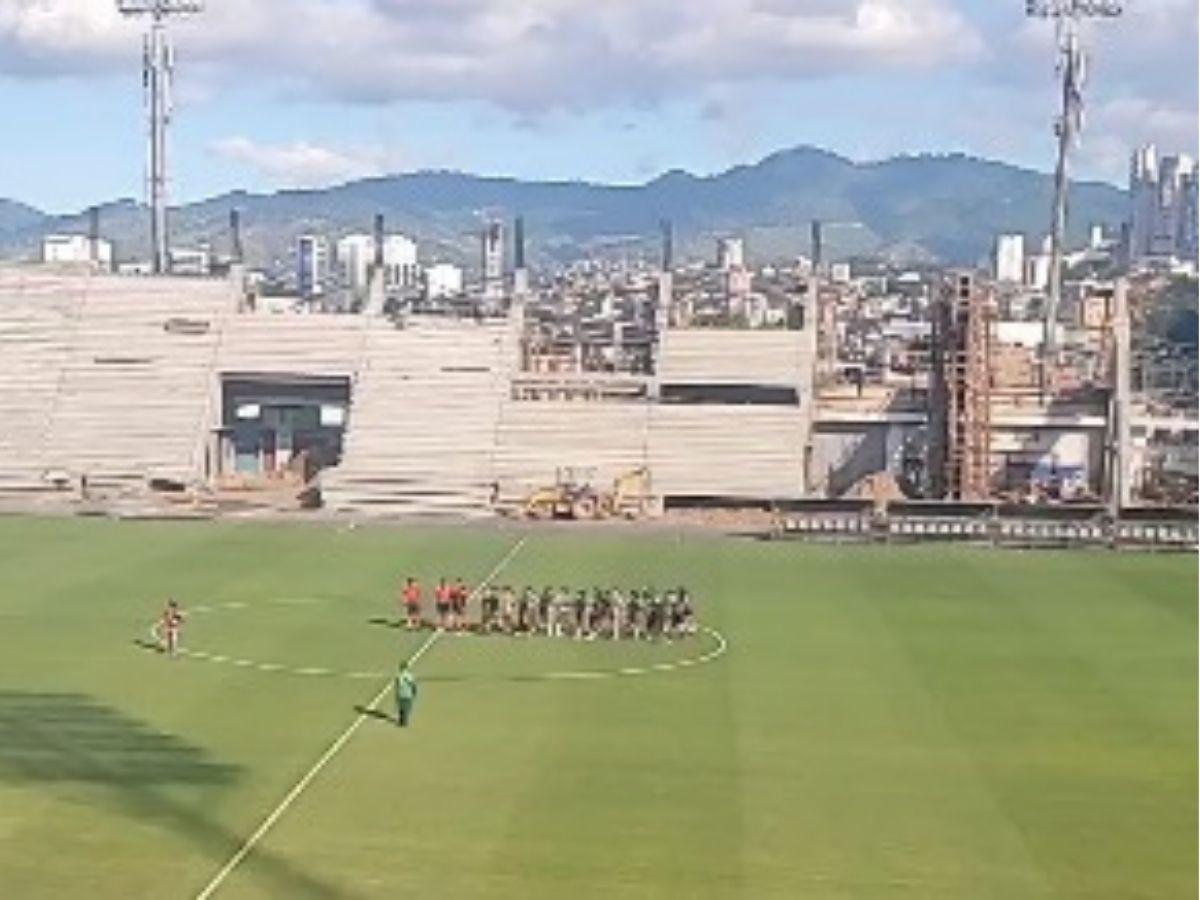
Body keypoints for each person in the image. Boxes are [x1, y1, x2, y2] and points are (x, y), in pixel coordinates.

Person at [395, 662, 419, 727]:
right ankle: (404, 721)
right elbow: (413, 685)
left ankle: (402, 720)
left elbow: (397, 685)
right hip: (408, 694)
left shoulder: (398, 676)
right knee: (407, 708)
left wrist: (397, 694)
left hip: (401, 694)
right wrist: (414, 692)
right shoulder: (410, 676)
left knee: (401, 708)